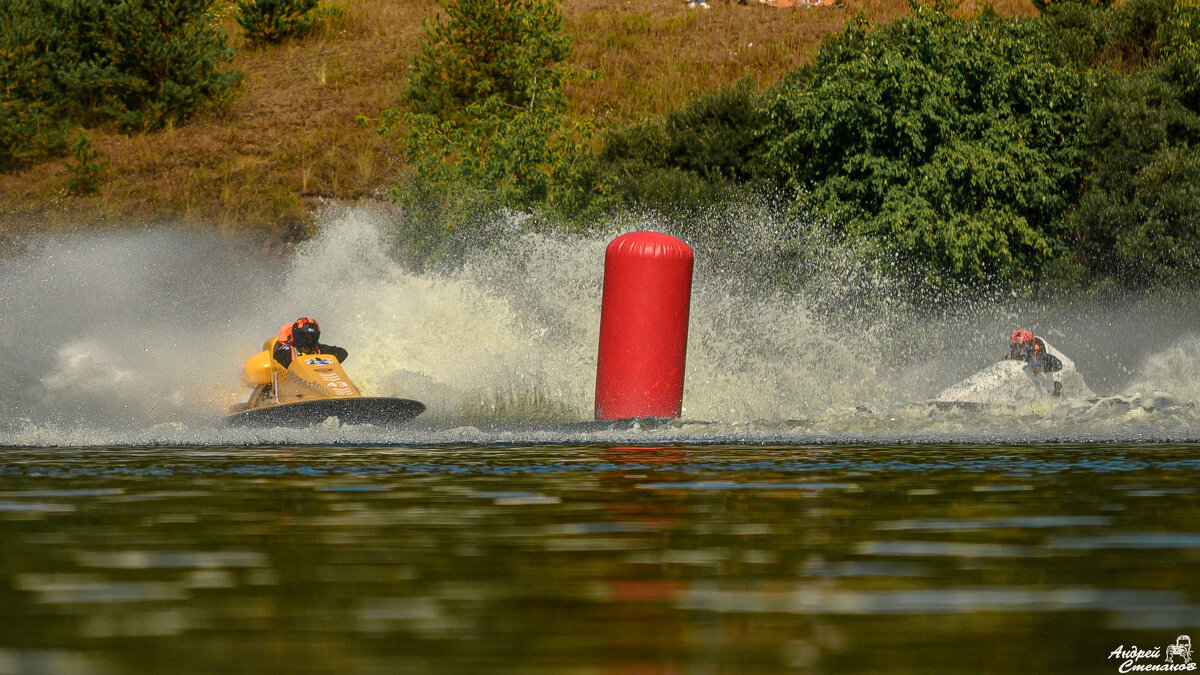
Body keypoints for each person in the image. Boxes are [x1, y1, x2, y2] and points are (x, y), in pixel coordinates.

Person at [272, 317, 348, 369]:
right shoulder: (286, 349)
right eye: (304, 336)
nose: (308, 341)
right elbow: (281, 362)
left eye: (311, 337)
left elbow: (342, 352)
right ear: (296, 335)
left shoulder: (318, 348)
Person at [1007, 329, 1063, 395]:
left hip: (1057, 376)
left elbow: (1058, 365)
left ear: (1028, 345)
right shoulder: (1015, 354)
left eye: (1020, 346)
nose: (1017, 350)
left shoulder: (1040, 353)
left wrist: (1042, 369)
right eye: (1015, 347)